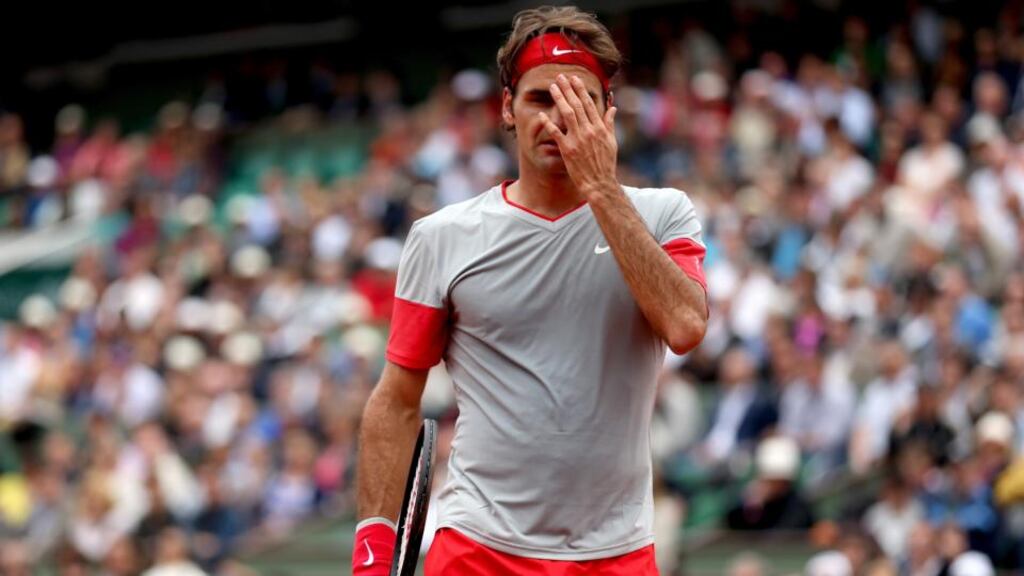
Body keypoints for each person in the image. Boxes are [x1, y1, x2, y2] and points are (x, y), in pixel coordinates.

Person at [352, 5, 709, 575]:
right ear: (507, 110)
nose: (559, 119)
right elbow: (396, 399)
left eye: (581, 101)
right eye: (541, 99)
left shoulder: (663, 214)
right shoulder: (442, 237)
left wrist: (601, 189)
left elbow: (686, 326)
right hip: (477, 549)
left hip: (615, 553)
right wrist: (371, 555)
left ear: (607, 113)